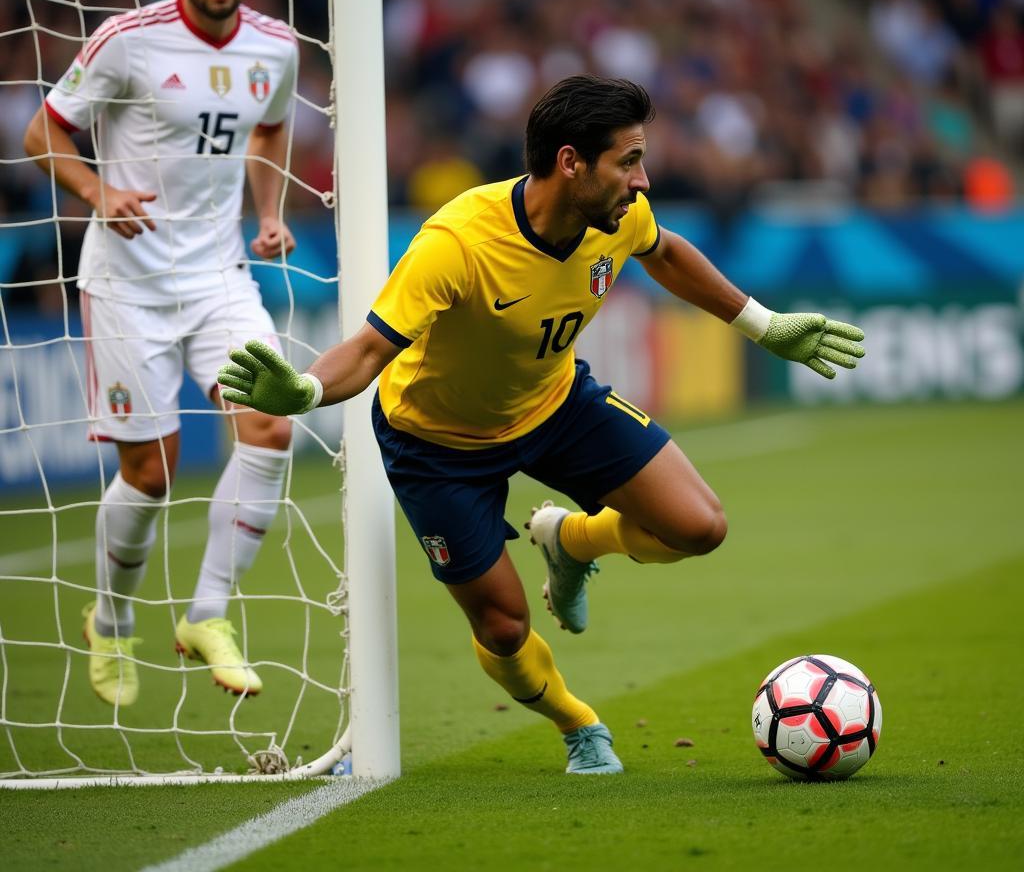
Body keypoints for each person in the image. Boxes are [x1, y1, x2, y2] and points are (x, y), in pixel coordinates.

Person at [218, 75, 865, 774]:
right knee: (502, 625)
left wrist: (763, 326)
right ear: (570, 163)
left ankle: (572, 539)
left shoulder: (618, 217)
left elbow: (667, 254)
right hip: (436, 443)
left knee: (700, 525)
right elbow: (372, 350)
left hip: (555, 405)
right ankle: (576, 721)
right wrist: (308, 387)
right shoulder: (459, 241)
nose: (641, 181)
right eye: (627, 162)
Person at [23, 0, 300, 706]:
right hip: (128, 282)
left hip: (218, 277)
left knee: (272, 423)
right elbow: (45, 133)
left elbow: (272, 128)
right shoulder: (127, 40)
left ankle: (208, 614)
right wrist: (97, 189)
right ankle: (110, 622)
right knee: (151, 474)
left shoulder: (274, 47)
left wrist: (272, 210)